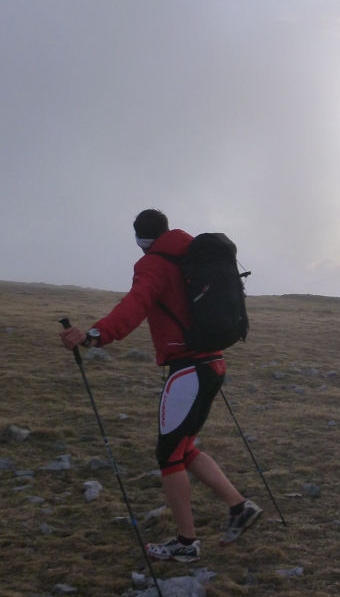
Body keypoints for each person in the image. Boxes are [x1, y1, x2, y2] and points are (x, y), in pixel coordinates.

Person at [59, 208, 262, 563]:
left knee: (168, 456)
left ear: (141, 242)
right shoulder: (192, 254)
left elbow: (134, 305)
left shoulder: (153, 263)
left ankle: (186, 543)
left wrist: (94, 335)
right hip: (213, 363)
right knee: (183, 448)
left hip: (188, 370)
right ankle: (239, 507)